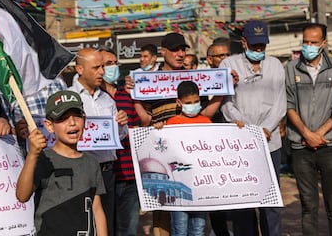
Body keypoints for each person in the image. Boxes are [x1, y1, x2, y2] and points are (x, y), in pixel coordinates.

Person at [126, 32, 224, 236]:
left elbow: (204, 113)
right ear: (163, 52)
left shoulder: (194, 80)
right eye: (175, 50)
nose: (180, 54)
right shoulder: (147, 81)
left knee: (194, 217)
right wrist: (134, 95)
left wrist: (225, 88)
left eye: (183, 50)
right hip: (164, 158)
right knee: (163, 214)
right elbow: (145, 120)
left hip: (193, 161)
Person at [220, 20, 286, 236]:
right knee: (244, 201)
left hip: (270, 142)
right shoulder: (228, 65)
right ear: (244, 42)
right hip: (241, 143)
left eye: (262, 46)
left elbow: (280, 103)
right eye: (254, 45)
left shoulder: (275, 65)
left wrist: (265, 129)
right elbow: (227, 104)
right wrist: (249, 131)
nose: (259, 50)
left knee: (270, 201)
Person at [16, 90, 107, 235]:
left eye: (77, 116)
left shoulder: (92, 163)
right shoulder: (42, 159)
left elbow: (96, 208)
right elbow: (22, 195)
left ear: (85, 120)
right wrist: (32, 154)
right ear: (49, 126)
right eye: (63, 118)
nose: (71, 123)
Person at [286, 23, 332, 236]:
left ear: (324, 44)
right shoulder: (291, 68)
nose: (308, 46)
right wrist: (307, 134)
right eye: (305, 42)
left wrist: (319, 134)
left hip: (330, 144)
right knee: (308, 206)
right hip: (301, 145)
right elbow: (289, 105)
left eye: (313, 42)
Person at [69, 48, 129, 236]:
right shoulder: (68, 97)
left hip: (107, 172)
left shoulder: (107, 99)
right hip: (80, 173)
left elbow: (118, 136)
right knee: (82, 225)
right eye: (96, 67)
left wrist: (120, 124)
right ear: (79, 68)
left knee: (107, 226)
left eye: (103, 66)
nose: (102, 72)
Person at [99, 46, 148, 236]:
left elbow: (142, 123)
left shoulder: (126, 94)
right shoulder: (92, 99)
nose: (113, 68)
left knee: (127, 228)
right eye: (107, 64)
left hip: (129, 174)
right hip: (104, 175)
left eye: (115, 63)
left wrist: (135, 97)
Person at [164, 80, 211, 236]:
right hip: (178, 188)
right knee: (180, 229)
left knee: (198, 229)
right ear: (179, 102)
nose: (193, 105)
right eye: (188, 102)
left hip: (201, 187)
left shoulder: (207, 123)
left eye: (196, 101)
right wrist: (159, 130)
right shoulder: (171, 124)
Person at [206, 40, 232, 236]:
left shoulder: (237, 80)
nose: (225, 60)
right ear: (209, 60)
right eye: (220, 56)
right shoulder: (200, 83)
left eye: (227, 55)